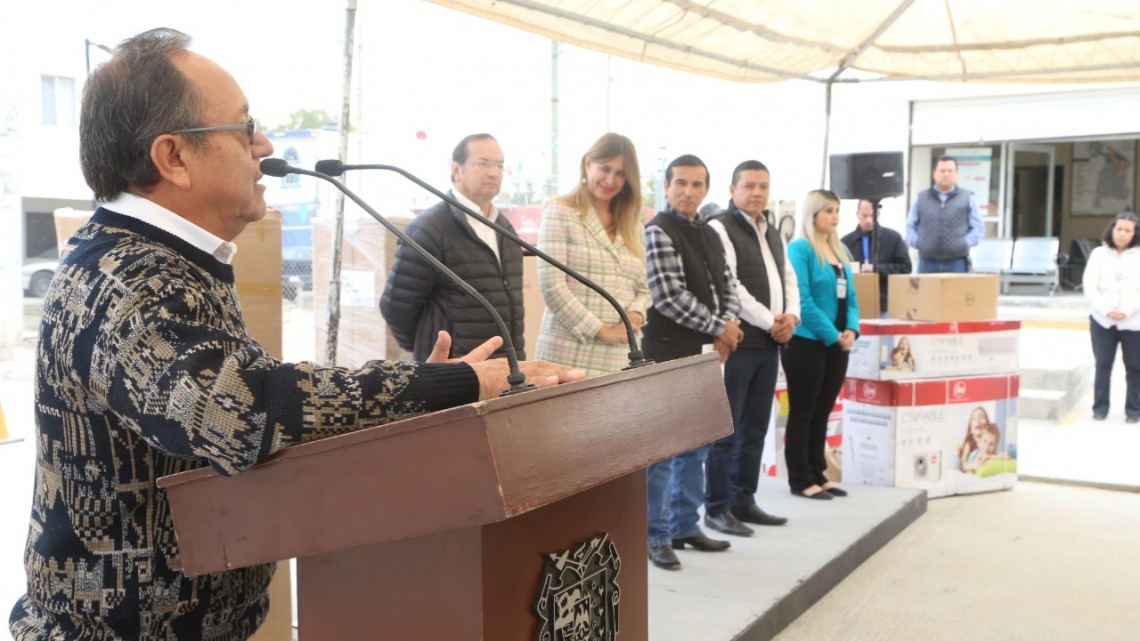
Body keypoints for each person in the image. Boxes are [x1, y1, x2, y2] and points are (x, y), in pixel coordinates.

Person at [8, 29, 581, 641]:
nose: (265, 145)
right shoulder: (126, 276)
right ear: (173, 157)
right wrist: (450, 384)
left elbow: (233, 405)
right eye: (244, 127)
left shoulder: (162, 260)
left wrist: (421, 394)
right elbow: (241, 409)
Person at [642, 154, 742, 570]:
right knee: (664, 453)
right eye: (680, 183)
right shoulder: (657, 231)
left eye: (697, 184)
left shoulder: (709, 232)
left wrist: (729, 325)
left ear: (706, 189)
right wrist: (720, 327)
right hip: (668, 353)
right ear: (666, 187)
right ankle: (656, 536)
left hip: (707, 353)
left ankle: (685, 526)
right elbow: (668, 296)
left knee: (698, 445)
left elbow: (729, 284)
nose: (688, 191)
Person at [702, 160, 799, 538]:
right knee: (727, 429)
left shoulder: (772, 230)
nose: (758, 192)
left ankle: (744, 499)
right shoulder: (720, 228)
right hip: (740, 341)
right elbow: (732, 286)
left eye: (764, 186)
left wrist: (791, 316)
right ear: (732, 190)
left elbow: (788, 278)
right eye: (749, 186)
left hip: (770, 343)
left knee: (756, 426)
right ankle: (717, 507)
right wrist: (770, 320)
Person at [380, 133, 526, 361]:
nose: (493, 172)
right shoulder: (428, 229)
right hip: (453, 370)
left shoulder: (505, 229)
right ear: (457, 170)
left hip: (505, 368)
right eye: (483, 163)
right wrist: (428, 352)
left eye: (499, 165)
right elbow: (396, 308)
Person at [535, 133, 650, 378]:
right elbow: (552, 286)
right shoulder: (560, 211)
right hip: (568, 355)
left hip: (620, 358)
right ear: (588, 164)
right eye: (605, 168)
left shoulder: (634, 227)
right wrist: (604, 331)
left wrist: (636, 314)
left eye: (620, 174)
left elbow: (644, 289)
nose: (611, 180)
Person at [784, 190, 859, 500]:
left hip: (837, 344)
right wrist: (832, 334)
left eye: (837, 210)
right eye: (828, 210)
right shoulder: (800, 249)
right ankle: (801, 478)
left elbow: (851, 297)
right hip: (808, 343)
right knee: (803, 412)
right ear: (812, 214)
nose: (835, 216)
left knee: (823, 411)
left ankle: (818, 472)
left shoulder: (840, 250)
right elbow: (802, 299)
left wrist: (851, 329)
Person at [1082, 211, 1140, 422]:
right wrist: (1106, 310)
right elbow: (1090, 286)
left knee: (1135, 367)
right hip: (1102, 320)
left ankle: (1133, 411)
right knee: (1103, 365)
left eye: (1128, 230)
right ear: (1112, 230)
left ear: (1134, 233)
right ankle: (1100, 408)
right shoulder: (1098, 254)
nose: (1122, 234)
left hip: (1134, 321)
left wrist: (1127, 310)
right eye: (1119, 229)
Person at [905, 156, 983, 273]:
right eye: (942, 171)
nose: (946, 174)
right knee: (926, 287)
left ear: (956, 174)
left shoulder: (968, 198)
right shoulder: (920, 198)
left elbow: (978, 226)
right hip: (927, 262)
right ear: (934, 174)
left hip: (957, 262)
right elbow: (910, 225)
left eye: (950, 171)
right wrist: (917, 242)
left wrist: (965, 243)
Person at [841, 198, 912, 314]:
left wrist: (876, 269)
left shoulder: (893, 238)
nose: (869, 220)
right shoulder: (845, 243)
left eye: (872, 215)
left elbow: (906, 268)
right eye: (865, 216)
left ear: (878, 214)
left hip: (886, 304)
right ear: (857, 214)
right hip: (855, 305)